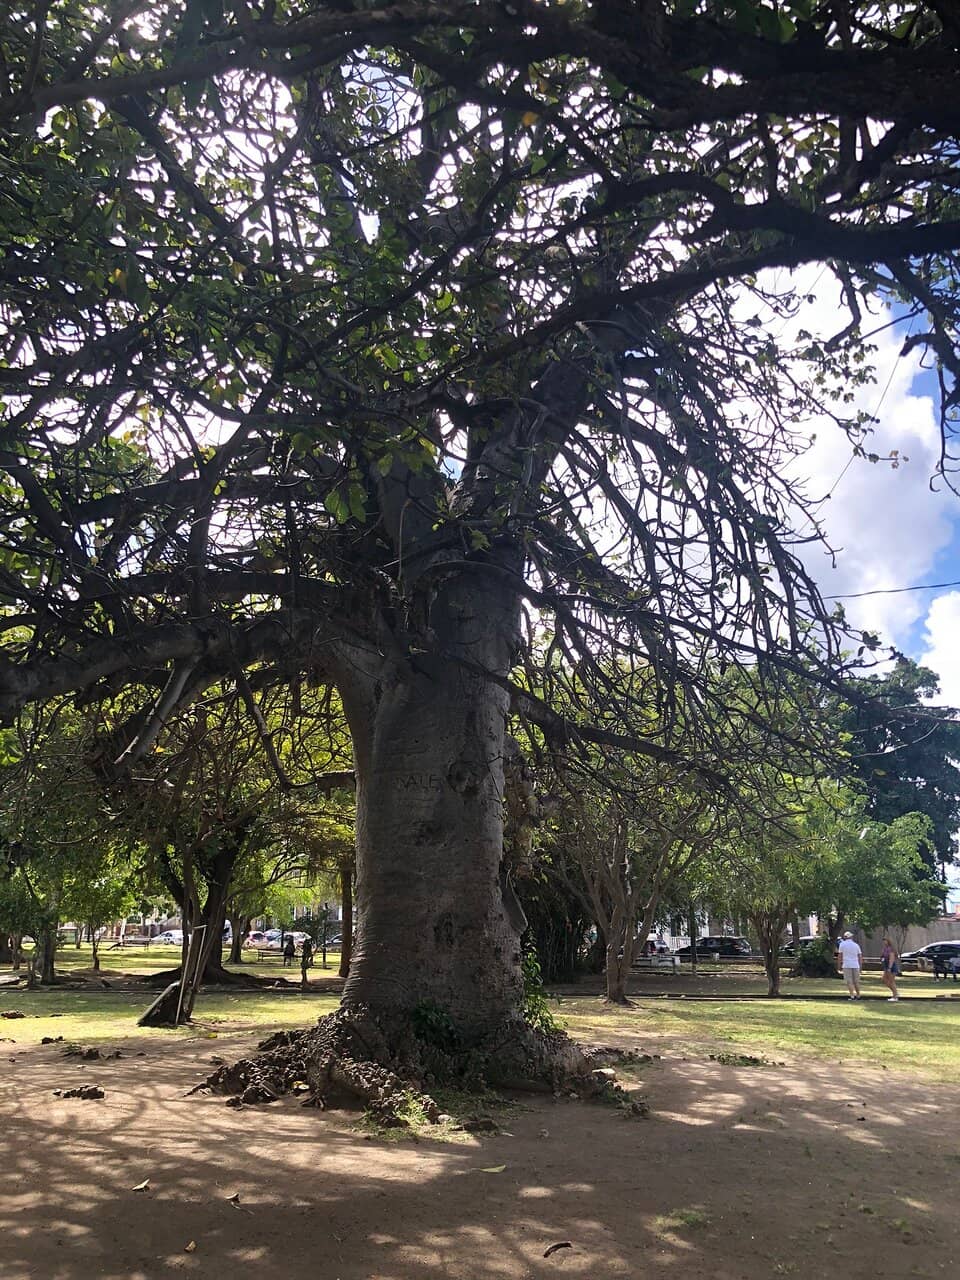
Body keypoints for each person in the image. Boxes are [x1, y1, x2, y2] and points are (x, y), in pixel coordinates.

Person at [837, 931, 863, 999]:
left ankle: (852, 995)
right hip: (855, 965)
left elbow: (840, 956)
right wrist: (860, 966)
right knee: (856, 981)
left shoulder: (842, 944)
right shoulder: (856, 945)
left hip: (846, 965)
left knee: (849, 981)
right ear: (851, 937)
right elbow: (860, 956)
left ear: (845, 937)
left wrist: (839, 966)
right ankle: (858, 995)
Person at [880, 937, 900, 1002]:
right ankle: (895, 993)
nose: (884, 942)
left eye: (885, 940)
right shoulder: (885, 948)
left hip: (891, 967)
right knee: (884, 979)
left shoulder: (891, 949)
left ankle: (895, 996)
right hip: (886, 966)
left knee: (891, 981)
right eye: (883, 941)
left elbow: (892, 958)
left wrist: (889, 967)